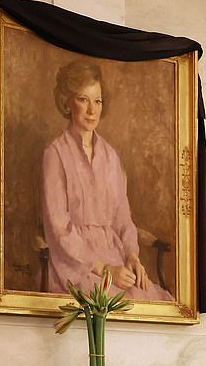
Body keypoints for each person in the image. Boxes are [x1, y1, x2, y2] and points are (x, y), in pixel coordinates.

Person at [41, 59, 171, 300]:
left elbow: (123, 219)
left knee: (157, 301)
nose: (92, 110)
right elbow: (58, 227)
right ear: (67, 103)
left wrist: (132, 256)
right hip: (76, 264)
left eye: (97, 101)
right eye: (83, 99)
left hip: (116, 258)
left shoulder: (111, 157)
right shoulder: (55, 154)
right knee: (117, 303)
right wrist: (103, 268)